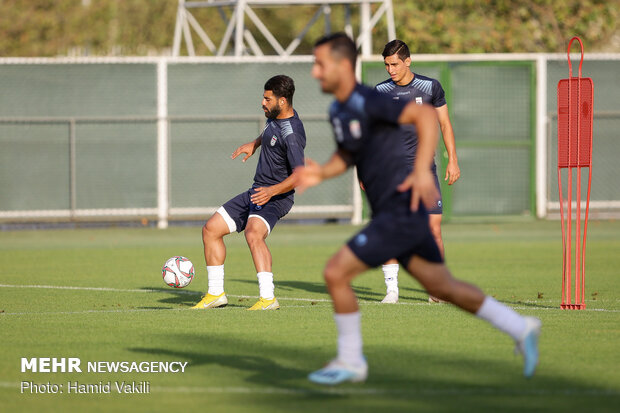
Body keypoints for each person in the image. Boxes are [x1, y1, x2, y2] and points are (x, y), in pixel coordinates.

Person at [294, 33, 540, 385]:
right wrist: (320, 171)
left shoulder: (371, 100)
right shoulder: (339, 109)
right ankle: (521, 327)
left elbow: (426, 120)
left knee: (336, 273)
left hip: (401, 209)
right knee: (446, 287)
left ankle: (351, 361)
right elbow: (348, 155)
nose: (315, 73)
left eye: (320, 64)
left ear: (343, 66)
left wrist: (423, 171)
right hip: (392, 210)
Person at [192, 75, 306, 311]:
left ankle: (268, 298)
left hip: (277, 197)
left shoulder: (292, 133)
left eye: (267, 99)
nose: (262, 103)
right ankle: (215, 294)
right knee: (211, 229)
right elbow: (270, 136)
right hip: (257, 191)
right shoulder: (274, 118)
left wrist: (271, 192)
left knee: (254, 234)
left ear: (282, 101)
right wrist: (254, 144)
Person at [376, 39, 461, 304]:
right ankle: (392, 290)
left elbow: (445, 124)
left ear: (407, 61)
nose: (390, 69)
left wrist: (453, 160)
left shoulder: (430, 87)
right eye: (387, 65)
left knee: (434, 228)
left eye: (395, 64)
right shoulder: (380, 91)